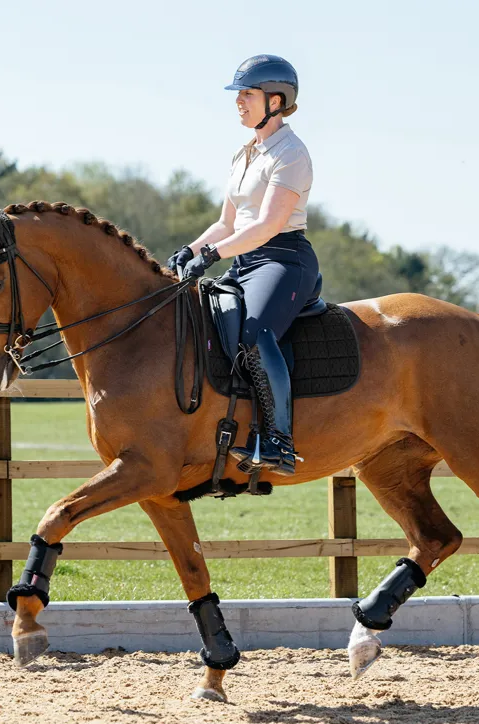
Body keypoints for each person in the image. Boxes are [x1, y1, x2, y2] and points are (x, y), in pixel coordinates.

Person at [168, 54, 320, 476]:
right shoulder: (244, 154)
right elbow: (227, 223)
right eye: (239, 94)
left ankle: (279, 442)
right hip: (244, 257)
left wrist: (213, 256)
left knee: (255, 334)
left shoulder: (291, 153)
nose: (239, 102)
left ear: (276, 100)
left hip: (283, 258)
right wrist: (191, 249)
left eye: (247, 94)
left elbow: (269, 225)